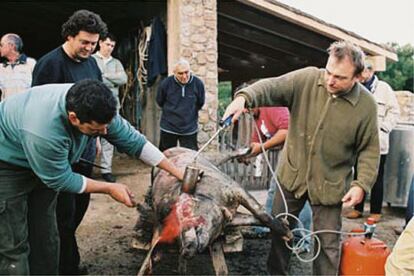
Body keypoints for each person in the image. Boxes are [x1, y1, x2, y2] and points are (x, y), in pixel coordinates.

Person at [223, 41, 380, 275]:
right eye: (328, 72)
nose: (329, 80)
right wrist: (244, 98)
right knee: (279, 231)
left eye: (339, 77)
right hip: (291, 176)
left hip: (330, 183)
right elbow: (272, 86)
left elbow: (369, 149)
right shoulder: (306, 79)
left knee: (327, 244)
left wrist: (361, 185)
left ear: (357, 77)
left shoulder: (366, 106)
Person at [0, 79, 184, 275]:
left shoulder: (96, 108)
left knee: (45, 237)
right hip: (7, 165)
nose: (104, 133)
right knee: (13, 243)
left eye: (106, 127)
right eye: (96, 130)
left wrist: (176, 172)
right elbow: (59, 179)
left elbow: (134, 142)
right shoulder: (44, 131)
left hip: (45, 161)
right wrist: (109, 188)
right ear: (73, 118)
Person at [31, 9, 107, 274]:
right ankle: (66, 267)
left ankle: (64, 257)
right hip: (58, 151)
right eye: (84, 42)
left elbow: (98, 101)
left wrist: (95, 137)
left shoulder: (92, 64)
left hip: (84, 148)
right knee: (62, 213)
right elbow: (38, 111)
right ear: (69, 36)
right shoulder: (50, 64)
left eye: (93, 43)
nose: (89, 47)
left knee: (78, 208)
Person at [345, 59, 400, 222]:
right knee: (358, 174)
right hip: (358, 141)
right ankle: (358, 209)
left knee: (377, 177)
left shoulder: (384, 89)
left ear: (371, 72)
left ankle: (375, 211)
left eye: (363, 72)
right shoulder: (355, 88)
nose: (360, 76)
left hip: (378, 143)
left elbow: (394, 111)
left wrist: (384, 127)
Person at [93, 33, 128, 183]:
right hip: (93, 104)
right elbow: (91, 79)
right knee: (89, 138)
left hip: (112, 105)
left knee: (109, 138)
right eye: (107, 44)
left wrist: (105, 75)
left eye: (112, 46)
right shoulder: (91, 60)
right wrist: (111, 79)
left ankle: (106, 170)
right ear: (100, 43)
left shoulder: (116, 62)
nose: (110, 48)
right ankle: (85, 168)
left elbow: (123, 79)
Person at [156, 59, 205, 152]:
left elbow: (200, 103)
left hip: (189, 128)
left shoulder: (198, 84)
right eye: (180, 73)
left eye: (186, 72)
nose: (184, 76)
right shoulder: (166, 84)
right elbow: (160, 101)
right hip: (169, 127)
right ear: (174, 73)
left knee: (190, 158)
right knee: (166, 156)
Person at [0, 33, 36, 101]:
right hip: (7, 110)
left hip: (26, 109)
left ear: (11, 46)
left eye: (1, 45)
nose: (0, 48)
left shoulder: (31, 63)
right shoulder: (1, 68)